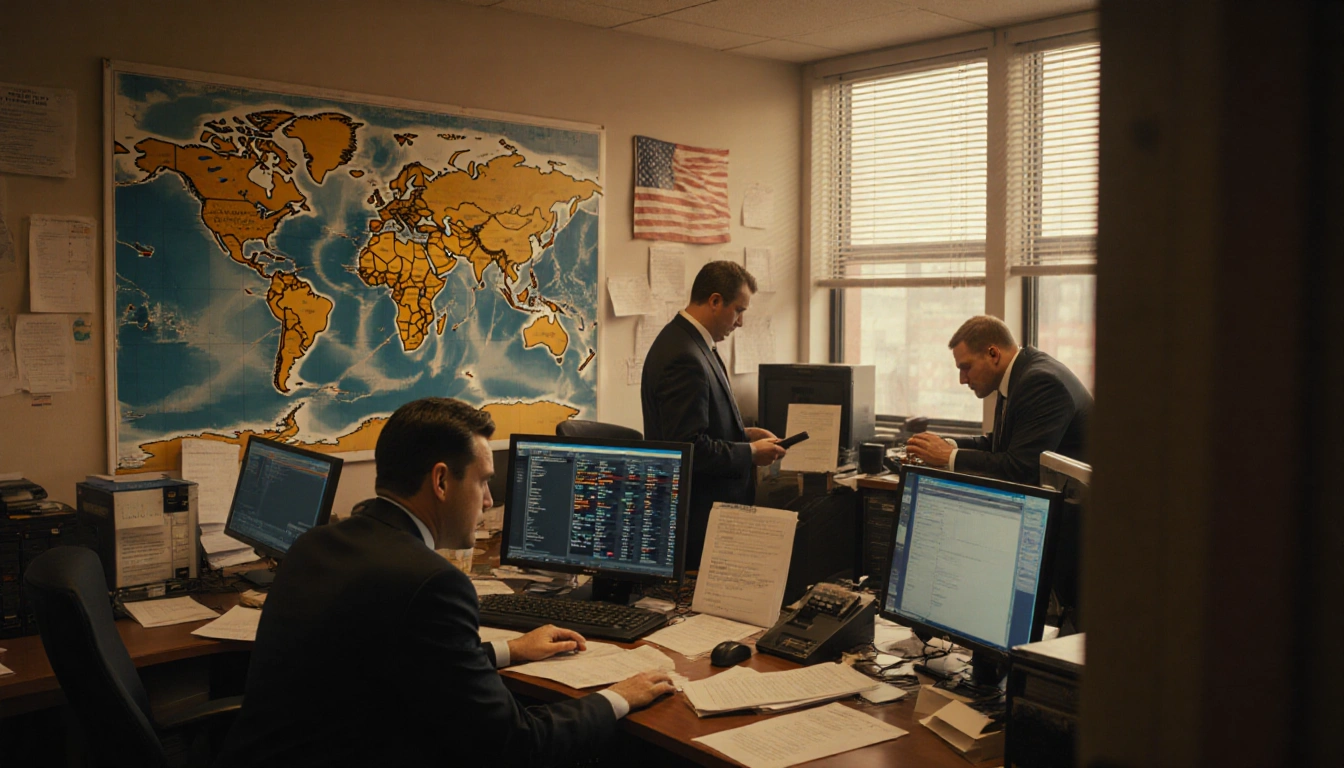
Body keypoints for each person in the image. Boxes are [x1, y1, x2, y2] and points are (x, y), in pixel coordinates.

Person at [214, 398, 674, 768]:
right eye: (483, 483)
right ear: (440, 481)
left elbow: (395, 659)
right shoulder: (430, 582)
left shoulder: (316, 544)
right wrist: (617, 697)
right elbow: (514, 745)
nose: (490, 500)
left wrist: (510, 650)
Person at [640, 261, 787, 568]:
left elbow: (698, 425)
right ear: (715, 301)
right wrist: (749, 454)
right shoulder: (683, 355)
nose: (741, 323)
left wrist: (743, 434)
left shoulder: (691, 344)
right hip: (697, 524)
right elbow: (688, 447)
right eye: (739, 310)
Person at [905, 315, 1092, 485]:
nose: (962, 379)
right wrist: (947, 445)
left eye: (966, 367)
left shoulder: (1040, 382)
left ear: (993, 354)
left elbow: (1021, 469)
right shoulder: (1018, 374)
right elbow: (1000, 445)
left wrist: (948, 456)